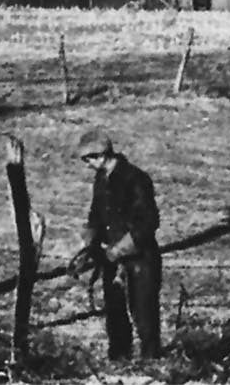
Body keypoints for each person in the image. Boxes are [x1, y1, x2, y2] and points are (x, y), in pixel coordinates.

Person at [67, 127, 163, 361]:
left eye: (87, 159)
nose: (86, 164)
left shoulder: (135, 179)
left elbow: (148, 223)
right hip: (111, 261)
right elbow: (96, 216)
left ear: (100, 156)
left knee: (144, 315)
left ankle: (151, 364)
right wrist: (90, 243)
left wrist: (120, 249)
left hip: (140, 260)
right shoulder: (101, 179)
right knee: (115, 314)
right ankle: (119, 361)